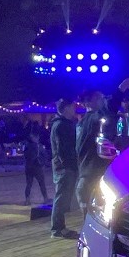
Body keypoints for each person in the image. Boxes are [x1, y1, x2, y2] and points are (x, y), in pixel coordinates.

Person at [75, 90, 112, 213]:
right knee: (95, 212)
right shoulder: (93, 119)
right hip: (91, 174)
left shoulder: (82, 122)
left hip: (86, 172)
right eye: (99, 98)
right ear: (89, 102)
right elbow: (105, 113)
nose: (102, 100)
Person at [49, 99, 79, 239]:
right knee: (61, 198)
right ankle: (57, 229)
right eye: (72, 107)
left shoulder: (62, 124)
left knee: (63, 198)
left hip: (64, 166)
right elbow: (62, 149)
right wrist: (69, 165)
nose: (74, 109)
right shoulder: (61, 125)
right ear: (66, 108)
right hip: (64, 168)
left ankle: (60, 227)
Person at [22, 128, 50, 206]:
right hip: (37, 167)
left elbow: (25, 156)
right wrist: (43, 163)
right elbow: (45, 155)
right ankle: (45, 198)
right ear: (36, 137)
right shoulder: (38, 146)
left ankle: (27, 200)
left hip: (28, 167)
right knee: (42, 183)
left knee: (29, 184)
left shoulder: (27, 145)